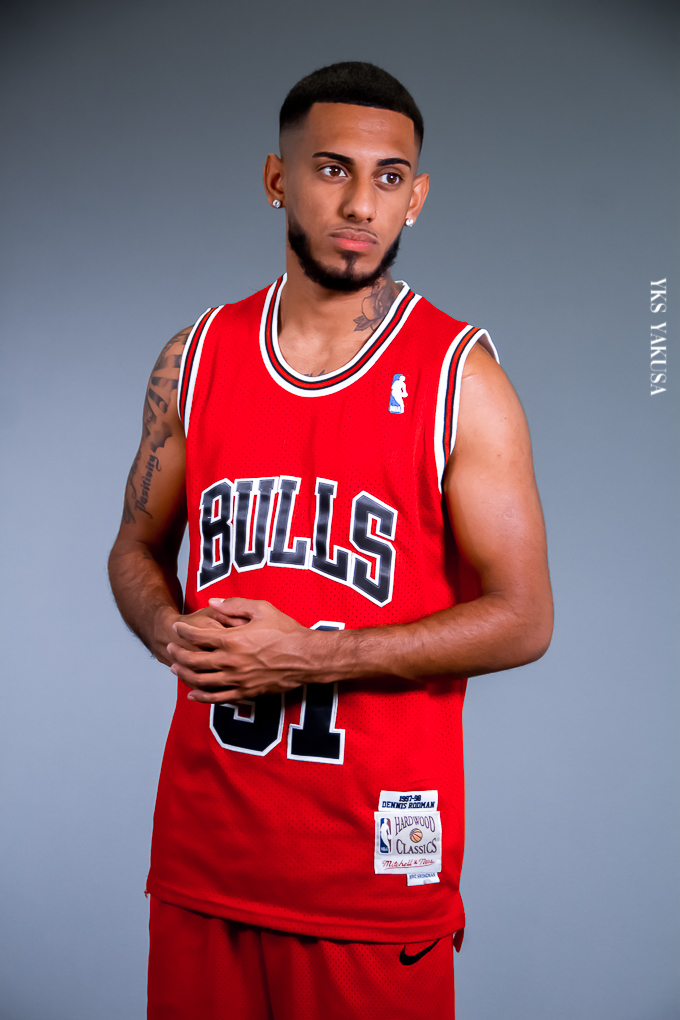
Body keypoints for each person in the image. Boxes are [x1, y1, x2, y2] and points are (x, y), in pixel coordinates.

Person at [108, 61, 553, 1020]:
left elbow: (525, 619)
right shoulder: (196, 358)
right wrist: (174, 635)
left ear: (416, 198)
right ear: (278, 179)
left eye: (389, 178)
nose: (360, 204)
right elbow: (134, 550)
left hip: (368, 873)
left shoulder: (459, 378)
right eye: (332, 169)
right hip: (203, 857)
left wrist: (306, 658)